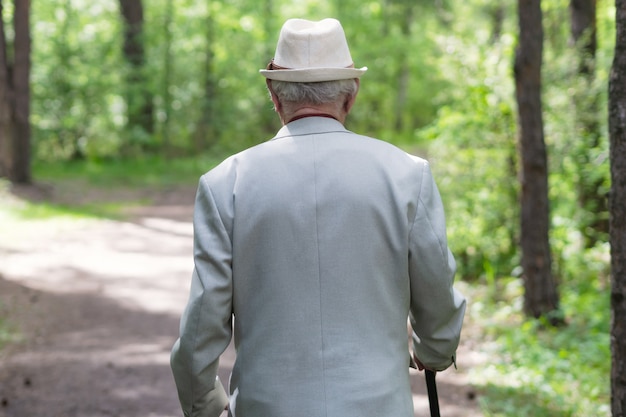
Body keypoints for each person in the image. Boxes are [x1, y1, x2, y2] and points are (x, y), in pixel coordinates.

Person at [170, 17, 466, 417]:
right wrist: (435, 350)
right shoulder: (407, 175)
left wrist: (204, 402)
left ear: (274, 94)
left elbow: (204, 318)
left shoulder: (226, 182)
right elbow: (435, 287)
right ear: (351, 94)